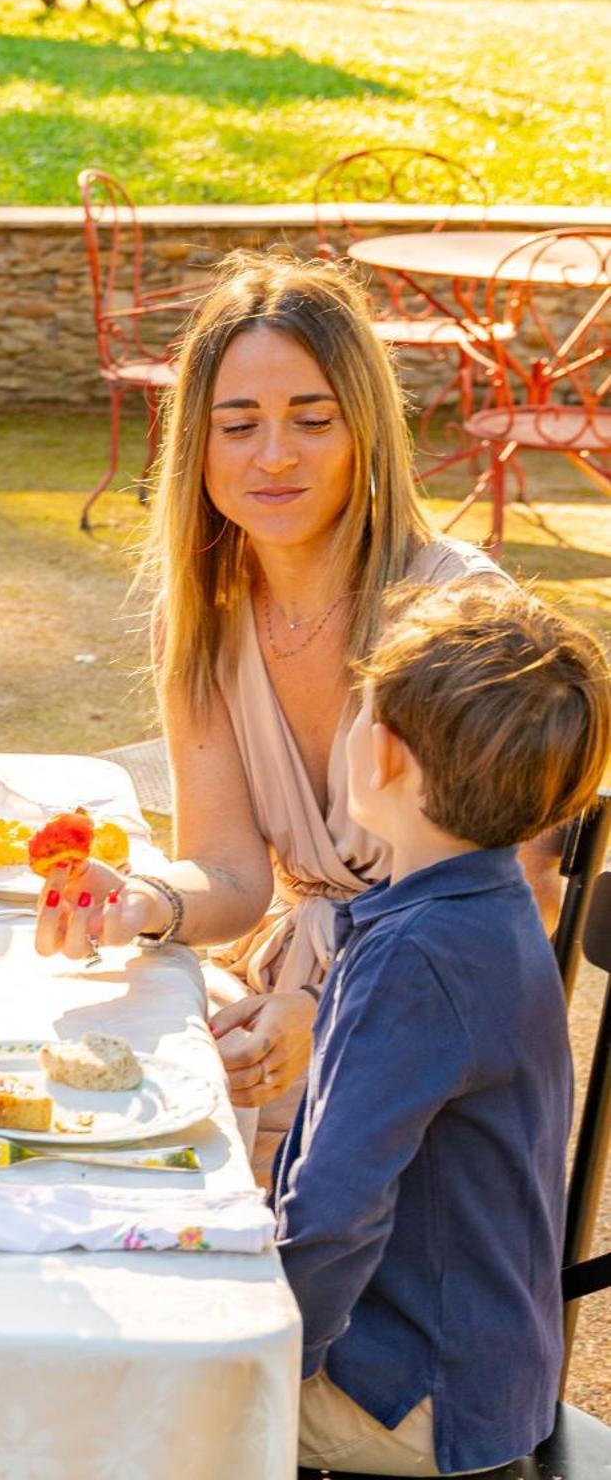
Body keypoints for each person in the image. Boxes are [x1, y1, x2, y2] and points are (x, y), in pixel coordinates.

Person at [34, 251, 556, 1172]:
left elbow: (515, 910)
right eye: (237, 425)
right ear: (196, 446)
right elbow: (232, 876)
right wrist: (144, 900)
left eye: (310, 420)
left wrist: (326, 1016)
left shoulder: (457, 617)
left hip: (433, 1054)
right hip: (282, 1003)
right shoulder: (201, 616)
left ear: (364, 432)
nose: (272, 456)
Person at [277, 578, 609, 1476]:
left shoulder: (417, 958)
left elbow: (333, 1212)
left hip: (418, 1392)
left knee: (135, 1399)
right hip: (474, 1362)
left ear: (378, 755)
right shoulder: (484, 904)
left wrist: (260, 1365)